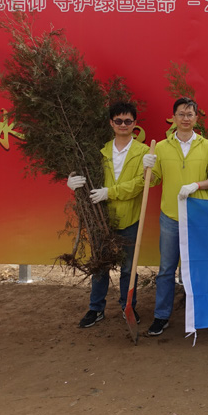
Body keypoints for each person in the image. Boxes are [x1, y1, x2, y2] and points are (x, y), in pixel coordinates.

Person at [142, 97, 208, 337]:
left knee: (201, 267)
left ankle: (206, 315)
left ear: (196, 118)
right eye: (181, 114)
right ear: (173, 117)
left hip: (199, 217)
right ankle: (161, 316)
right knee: (167, 269)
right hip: (171, 216)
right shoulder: (161, 147)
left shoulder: (207, 147)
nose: (185, 118)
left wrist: (197, 185)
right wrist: (147, 167)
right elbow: (153, 180)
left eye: (190, 114)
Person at [66, 102, 149, 328]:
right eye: (118, 121)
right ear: (111, 123)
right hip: (102, 218)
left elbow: (140, 184)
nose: (123, 125)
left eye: (128, 121)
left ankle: (128, 306)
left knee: (129, 268)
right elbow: (86, 176)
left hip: (130, 217)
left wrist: (109, 192)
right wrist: (71, 181)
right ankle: (96, 309)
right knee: (100, 265)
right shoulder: (100, 151)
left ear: (134, 123)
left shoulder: (144, 152)